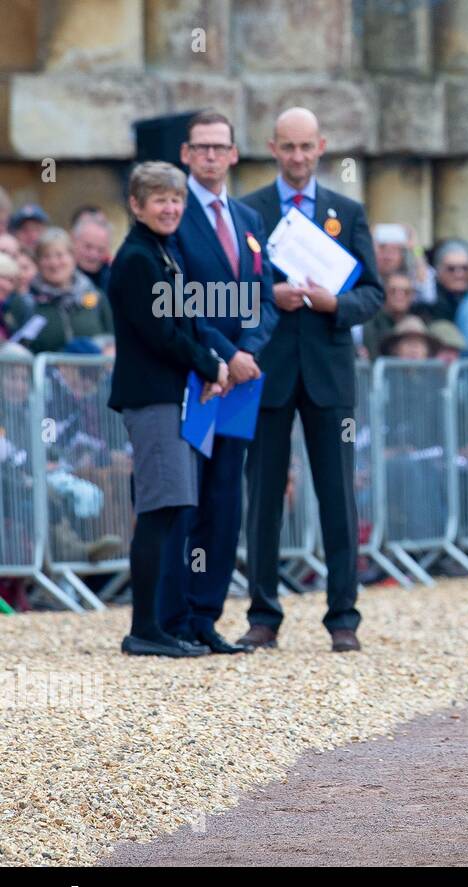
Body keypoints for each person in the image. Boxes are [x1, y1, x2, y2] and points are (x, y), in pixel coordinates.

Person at [238, 106, 383, 652]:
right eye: (287, 147)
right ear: (273, 148)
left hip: (328, 371)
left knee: (337, 496)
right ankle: (263, 616)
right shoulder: (249, 211)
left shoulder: (346, 211)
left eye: (306, 147)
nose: (298, 157)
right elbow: (232, 288)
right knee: (264, 496)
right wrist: (264, 295)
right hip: (267, 372)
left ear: (320, 147)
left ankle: (343, 617)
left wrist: (335, 303)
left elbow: (373, 293)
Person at [157, 109, 278, 654]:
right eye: (200, 147)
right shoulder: (173, 215)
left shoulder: (248, 217)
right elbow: (179, 298)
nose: (210, 156)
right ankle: (174, 617)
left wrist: (249, 351)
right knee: (189, 497)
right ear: (186, 154)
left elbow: (264, 294)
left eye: (219, 147)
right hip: (196, 376)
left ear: (233, 154)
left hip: (242, 383)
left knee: (227, 497)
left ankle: (207, 615)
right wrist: (225, 355)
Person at [107, 161, 229, 658]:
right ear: (136, 205)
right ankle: (145, 628)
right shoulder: (138, 257)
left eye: (176, 199)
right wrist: (209, 364)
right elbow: (159, 333)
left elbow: (186, 320)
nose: (171, 207)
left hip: (170, 393)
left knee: (171, 505)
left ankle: (156, 624)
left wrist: (209, 361)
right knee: (159, 509)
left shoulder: (161, 251)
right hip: (152, 396)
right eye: (159, 199)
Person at [23, 228, 113, 354]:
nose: (54, 263)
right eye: (46, 256)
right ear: (38, 262)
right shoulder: (27, 301)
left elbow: (113, 339)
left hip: (95, 372)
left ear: (73, 257)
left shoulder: (96, 297)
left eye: (60, 255)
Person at [425, 239, 468, 322]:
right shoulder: (429, 299)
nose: (459, 274)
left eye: (465, 268)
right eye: (451, 269)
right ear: (438, 271)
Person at [70, 214, 113, 292]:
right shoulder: (57, 273)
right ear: (73, 240)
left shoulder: (114, 280)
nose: (93, 255)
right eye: (88, 246)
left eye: (100, 250)